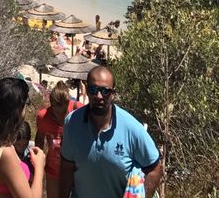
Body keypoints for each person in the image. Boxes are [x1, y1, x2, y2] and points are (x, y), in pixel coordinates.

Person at [59, 66, 161, 198]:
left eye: (105, 91)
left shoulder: (132, 128)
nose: (99, 96)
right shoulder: (72, 123)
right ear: (87, 90)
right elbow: (66, 168)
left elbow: (154, 169)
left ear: (113, 94)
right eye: (93, 90)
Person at [35, 80, 81, 198]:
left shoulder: (78, 110)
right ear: (51, 105)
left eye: (64, 113)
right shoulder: (43, 117)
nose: (61, 117)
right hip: (53, 171)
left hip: (76, 171)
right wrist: (36, 164)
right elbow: (39, 140)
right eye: (56, 113)